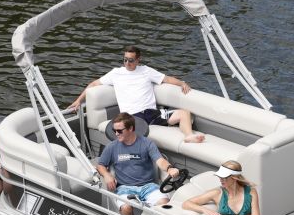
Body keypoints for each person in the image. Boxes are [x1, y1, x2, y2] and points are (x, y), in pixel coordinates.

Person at [68, 45, 205, 143]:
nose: (127, 63)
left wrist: (182, 83)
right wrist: (78, 101)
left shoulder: (146, 71)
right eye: (125, 59)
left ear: (138, 60)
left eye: (131, 60)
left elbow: (166, 79)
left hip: (152, 113)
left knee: (184, 113)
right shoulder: (116, 73)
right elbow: (93, 85)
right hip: (133, 117)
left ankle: (189, 136)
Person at [97, 112, 181, 215]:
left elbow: (160, 160)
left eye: (119, 131)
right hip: (124, 188)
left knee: (164, 206)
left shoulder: (147, 143)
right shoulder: (111, 147)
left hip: (148, 187)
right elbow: (100, 165)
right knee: (126, 208)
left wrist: (169, 168)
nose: (116, 134)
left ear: (131, 128)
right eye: (114, 131)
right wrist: (107, 175)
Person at [182, 160, 290, 215]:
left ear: (234, 178)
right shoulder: (217, 193)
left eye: (224, 177)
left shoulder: (251, 192)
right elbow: (186, 204)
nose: (220, 179)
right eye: (220, 176)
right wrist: (203, 210)